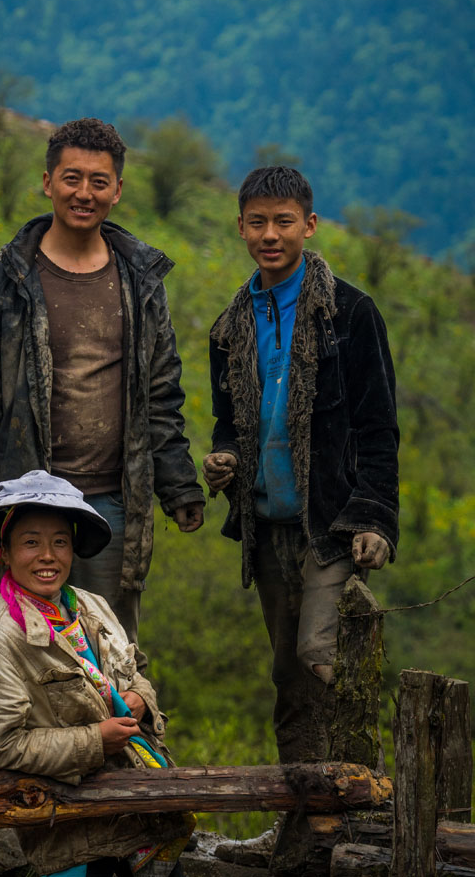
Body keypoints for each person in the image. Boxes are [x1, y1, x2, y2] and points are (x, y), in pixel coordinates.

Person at [0, 118, 205, 775]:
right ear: (47, 181)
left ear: (119, 191)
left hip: (107, 507)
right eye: (71, 178)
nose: (84, 192)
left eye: (98, 181)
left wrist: (179, 485)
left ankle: (132, 809)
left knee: (112, 653)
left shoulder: (141, 281)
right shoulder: (4, 279)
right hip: (18, 501)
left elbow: (162, 393)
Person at [202, 167, 399, 872]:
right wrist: (223, 457)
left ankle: (361, 823)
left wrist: (375, 515)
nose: (269, 235)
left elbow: (378, 428)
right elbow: (227, 422)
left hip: (331, 525)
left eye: (283, 221)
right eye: (256, 222)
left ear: (309, 226)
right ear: (241, 227)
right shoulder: (231, 325)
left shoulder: (349, 312)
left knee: (327, 665)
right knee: (289, 679)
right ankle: (302, 830)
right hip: (267, 525)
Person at [0, 470, 193, 876]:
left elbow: (133, 670)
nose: (48, 556)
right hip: (77, 835)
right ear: (5, 552)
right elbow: (0, 748)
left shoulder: (93, 606)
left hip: (142, 811)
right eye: (31, 542)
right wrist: (95, 741)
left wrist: (141, 698)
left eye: (60, 542)